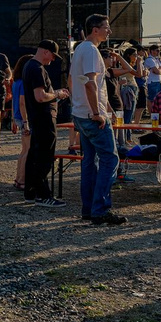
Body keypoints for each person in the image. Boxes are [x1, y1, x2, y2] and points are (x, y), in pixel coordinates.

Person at [70, 15, 127, 226]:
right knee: (110, 160)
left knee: (90, 162)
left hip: (81, 113)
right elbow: (90, 84)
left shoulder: (80, 50)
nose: (109, 31)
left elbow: (76, 81)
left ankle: (90, 209)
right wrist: (97, 112)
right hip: (91, 115)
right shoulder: (92, 51)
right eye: (106, 27)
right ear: (95, 30)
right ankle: (101, 209)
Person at [23, 41, 69, 207]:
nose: (53, 60)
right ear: (45, 52)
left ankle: (31, 192)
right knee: (44, 157)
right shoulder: (37, 69)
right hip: (44, 117)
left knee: (34, 156)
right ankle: (44, 195)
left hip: (37, 117)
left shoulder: (29, 66)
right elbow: (40, 96)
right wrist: (58, 93)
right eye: (52, 55)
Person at [10, 54, 33, 191]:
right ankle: (23, 180)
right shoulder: (25, 82)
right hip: (25, 118)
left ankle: (19, 178)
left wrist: (15, 119)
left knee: (24, 150)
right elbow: (23, 103)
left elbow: (15, 102)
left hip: (19, 117)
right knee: (28, 151)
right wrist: (26, 122)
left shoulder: (16, 82)